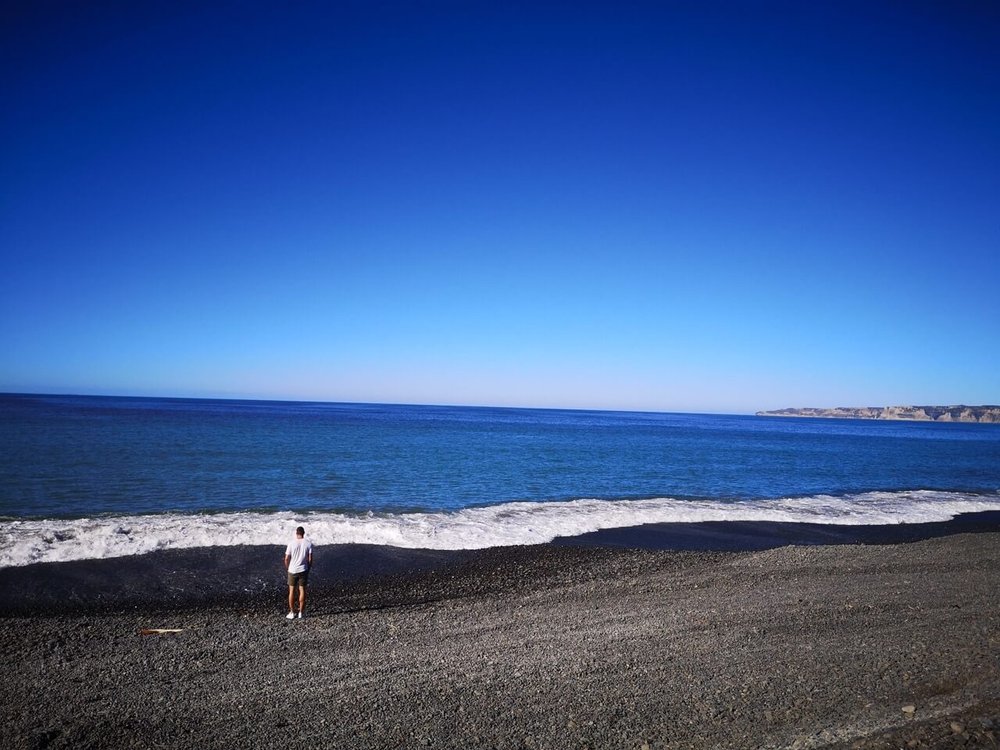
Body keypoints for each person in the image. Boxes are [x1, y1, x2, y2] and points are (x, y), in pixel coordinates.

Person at [284, 526, 313, 619]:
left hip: (292, 569)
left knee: (291, 591)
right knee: (302, 590)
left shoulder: (291, 543)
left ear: (296, 533)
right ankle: (301, 612)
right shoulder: (308, 544)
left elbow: (286, 558)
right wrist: (308, 568)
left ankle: (292, 612)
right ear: (303, 533)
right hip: (303, 569)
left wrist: (287, 567)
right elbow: (310, 559)